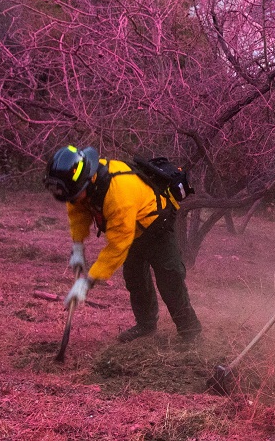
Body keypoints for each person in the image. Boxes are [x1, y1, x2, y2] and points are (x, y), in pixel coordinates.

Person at [44, 145, 201, 343]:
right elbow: (78, 211)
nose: (73, 200)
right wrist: (77, 246)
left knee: (169, 278)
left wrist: (87, 282)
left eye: (74, 195)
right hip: (132, 228)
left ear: (87, 181)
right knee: (135, 279)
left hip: (156, 225)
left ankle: (190, 332)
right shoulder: (82, 184)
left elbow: (118, 246)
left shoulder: (118, 194)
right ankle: (146, 325)